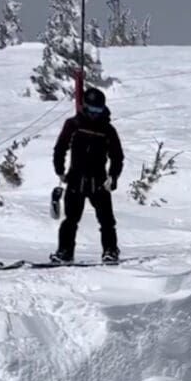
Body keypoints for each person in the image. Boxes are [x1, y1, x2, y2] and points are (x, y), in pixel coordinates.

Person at [51, 86, 124, 264]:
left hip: (99, 181)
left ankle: (110, 251)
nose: (94, 114)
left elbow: (117, 156)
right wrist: (59, 170)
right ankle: (65, 252)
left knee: (107, 221)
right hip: (76, 179)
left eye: (98, 110)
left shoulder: (108, 130)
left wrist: (113, 177)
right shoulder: (73, 125)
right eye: (91, 110)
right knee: (70, 220)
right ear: (85, 107)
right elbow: (60, 147)